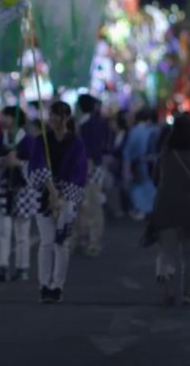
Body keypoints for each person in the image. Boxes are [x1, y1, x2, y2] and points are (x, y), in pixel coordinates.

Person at [145, 113, 190, 306]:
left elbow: (155, 178)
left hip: (166, 207)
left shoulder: (165, 153)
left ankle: (166, 287)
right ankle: (187, 292)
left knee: (166, 251)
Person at [29, 101, 87, 304]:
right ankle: (44, 285)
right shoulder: (40, 141)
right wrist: (51, 191)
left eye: (58, 115)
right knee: (46, 242)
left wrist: (62, 197)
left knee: (61, 242)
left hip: (67, 198)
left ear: (67, 118)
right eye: (51, 114)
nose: (53, 119)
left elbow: (79, 172)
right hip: (44, 196)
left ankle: (57, 286)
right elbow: (37, 166)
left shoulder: (76, 143)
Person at [0, 114, 37, 283]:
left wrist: (18, 163)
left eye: (9, 120)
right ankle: (2, 266)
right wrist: (3, 161)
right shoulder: (0, 139)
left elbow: (36, 165)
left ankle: (22, 267)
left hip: (23, 192)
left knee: (22, 233)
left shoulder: (29, 141)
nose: (6, 124)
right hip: (3, 191)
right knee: (3, 231)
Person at [73, 94, 108, 257]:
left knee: (92, 204)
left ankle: (93, 241)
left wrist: (86, 167)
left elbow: (92, 149)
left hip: (90, 167)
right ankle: (83, 238)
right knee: (83, 205)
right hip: (85, 167)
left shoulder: (91, 124)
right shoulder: (87, 122)